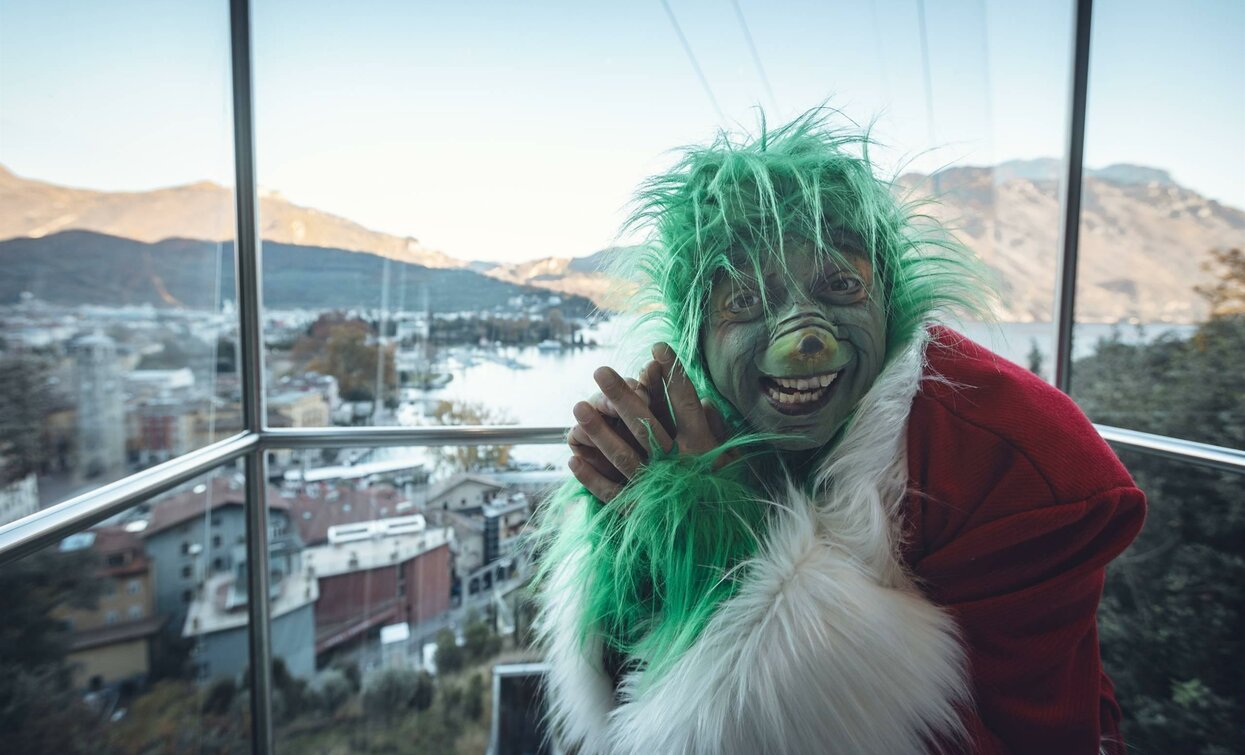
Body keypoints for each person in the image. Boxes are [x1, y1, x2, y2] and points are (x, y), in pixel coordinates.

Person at [532, 110, 1146, 755]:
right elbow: (629, 684)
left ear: (890, 297)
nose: (805, 339)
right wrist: (638, 541)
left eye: (842, 285)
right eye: (743, 299)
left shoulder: (1016, 463)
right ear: (697, 339)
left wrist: (735, 561)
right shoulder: (690, 427)